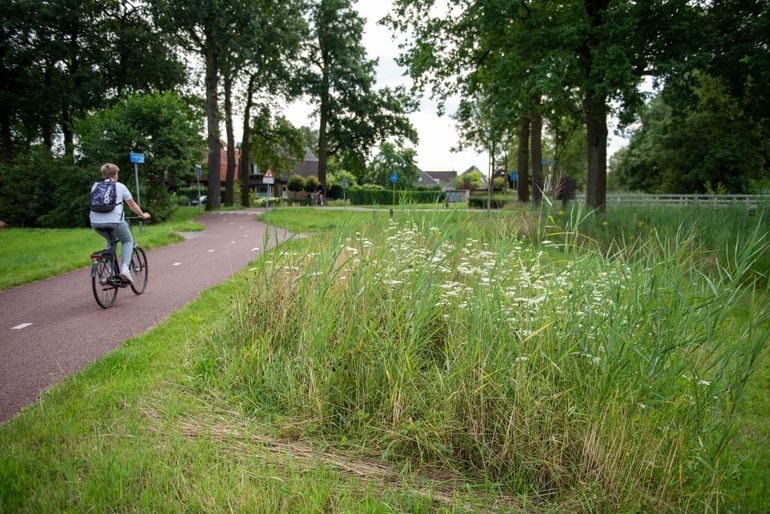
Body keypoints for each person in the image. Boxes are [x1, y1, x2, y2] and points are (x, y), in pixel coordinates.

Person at [89, 163, 151, 284]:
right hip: (115, 221)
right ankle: (125, 270)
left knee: (110, 240)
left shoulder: (95, 186)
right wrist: (142, 216)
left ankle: (110, 273)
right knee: (128, 241)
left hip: (95, 223)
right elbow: (132, 205)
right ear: (115, 174)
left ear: (103, 175)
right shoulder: (120, 186)